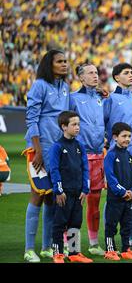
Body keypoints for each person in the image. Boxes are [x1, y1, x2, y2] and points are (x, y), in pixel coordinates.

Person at [23, 50, 70, 263]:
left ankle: (47, 247)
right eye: (60, 61)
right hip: (39, 149)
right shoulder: (40, 85)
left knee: (52, 197)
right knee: (38, 194)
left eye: (66, 61)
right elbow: (31, 118)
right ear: (48, 65)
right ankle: (29, 249)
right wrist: (38, 150)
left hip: (57, 148)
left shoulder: (66, 87)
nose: (64, 64)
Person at [69, 64, 106, 256]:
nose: (95, 76)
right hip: (79, 157)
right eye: (90, 73)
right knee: (75, 204)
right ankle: (71, 247)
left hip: (99, 155)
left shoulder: (101, 98)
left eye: (96, 73)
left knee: (95, 203)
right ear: (81, 78)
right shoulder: (73, 98)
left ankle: (93, 243)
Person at [49, 111, 92, 263]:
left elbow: (85, 168)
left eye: (78, 124)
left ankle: (74, 253)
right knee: (59, 223)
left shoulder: (80, 146)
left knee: (76, 222)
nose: (77, 127)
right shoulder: (57, 147)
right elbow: (54, 170)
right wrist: (59, 190)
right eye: (74, 125)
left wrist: (85, 190)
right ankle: (58, 253)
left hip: (78, 193)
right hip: (64, 194)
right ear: (64, 127)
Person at [103, 122, 132, 261]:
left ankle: (126, 249)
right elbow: (111, 177)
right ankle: (110, 250)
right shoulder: (110, 155)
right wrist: (123, 191)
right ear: (115, 137)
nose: (127, 139)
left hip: (130, 198)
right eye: (124, 136)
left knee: (128, 225)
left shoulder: (130, 156)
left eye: (129, 136)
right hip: (116, 199)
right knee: (111, 225)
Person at [104, 62, 132, 155]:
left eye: (131, 73)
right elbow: (102, 122)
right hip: (118, 151)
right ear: (117, 77)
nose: (130, 75)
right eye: (126, 73)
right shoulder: (111, 99)